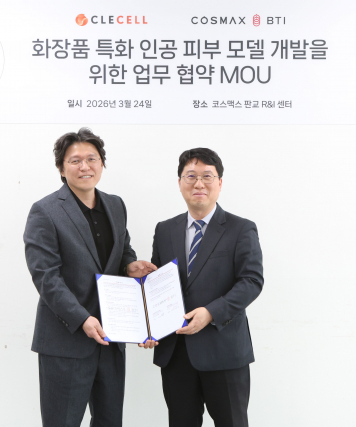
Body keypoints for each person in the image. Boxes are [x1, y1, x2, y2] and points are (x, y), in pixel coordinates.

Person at [23, 128, 156, 427]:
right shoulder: (45, 211)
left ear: (102, 163)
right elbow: (45, 277)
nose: (85, 166)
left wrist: (130, 266)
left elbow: (123, 250)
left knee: (110, 422)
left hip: (111, 337)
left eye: (92, 159)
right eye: (75, 160)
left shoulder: (115, 205)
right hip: (66, 339)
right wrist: (82, 318)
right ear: (61, 168)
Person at [142, 148, 263, 427]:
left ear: (219, 183)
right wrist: (148, 326)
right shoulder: (164, 230)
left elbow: (251, 281)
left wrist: (210, 313)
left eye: (207, 176)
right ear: (180, 182)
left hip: (224, 351)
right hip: (176, 353)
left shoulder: (241, 229)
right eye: (191, 176)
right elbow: (157, 285)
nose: (199, 183)